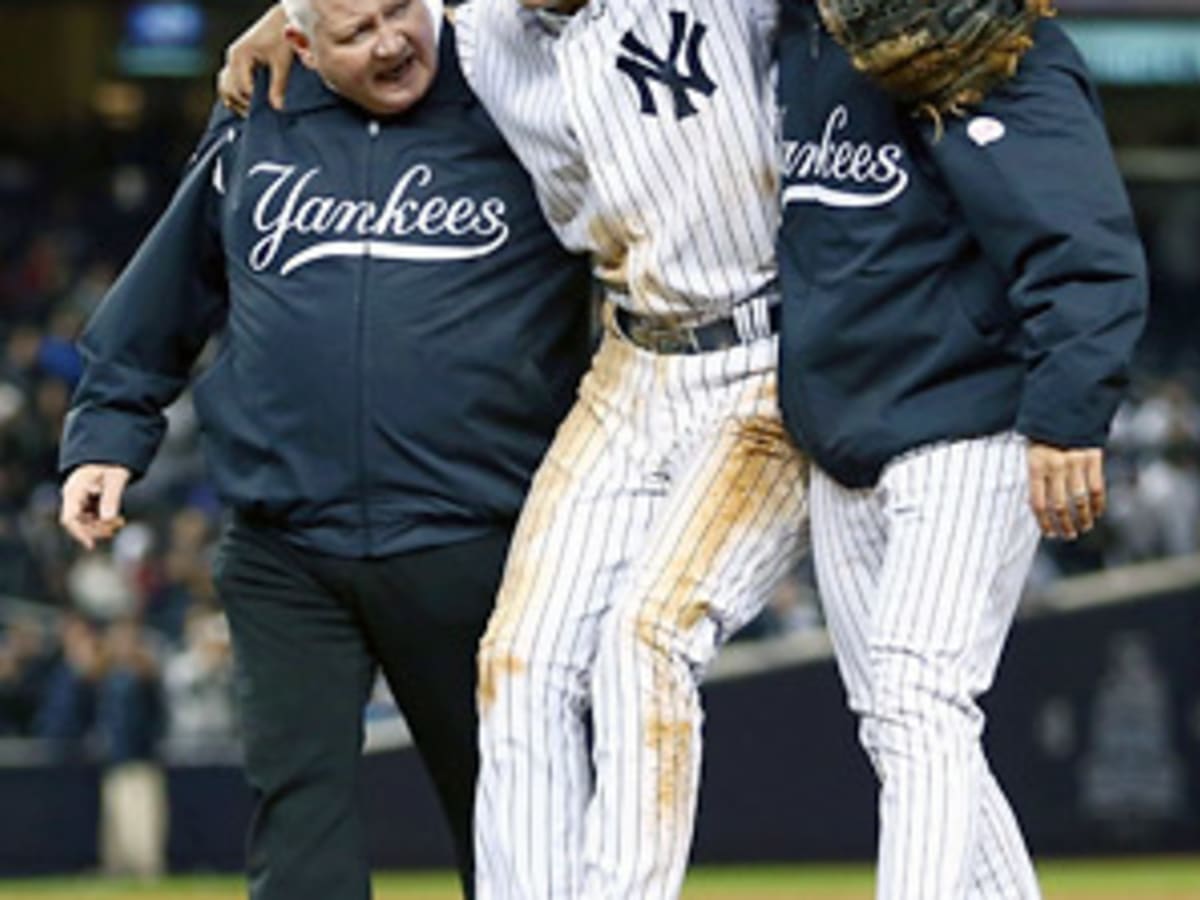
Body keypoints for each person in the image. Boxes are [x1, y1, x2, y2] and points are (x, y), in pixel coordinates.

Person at [221, 0, 810, 895]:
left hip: (765, 355)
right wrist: (288, 24)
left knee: (643, 643)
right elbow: (367, 18)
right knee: (518, 662)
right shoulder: (486, 30)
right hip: (631, 360)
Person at [59, 0, 591, 897]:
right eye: (355, 31)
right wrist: (109, 431)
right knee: (300, 830)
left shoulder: (520, 92)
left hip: (479, 544)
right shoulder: (257, 119)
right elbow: (167, 287)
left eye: (400, 12)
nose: (390, 42)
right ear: (301, 42)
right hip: (285, 551)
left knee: (516, 828)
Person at [775, 4, 1148, 897]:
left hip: (971, 417)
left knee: (916, 703)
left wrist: (1067, 414)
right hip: (846, 435)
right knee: (900, 723)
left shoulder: (998, 49)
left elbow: (1087, 246)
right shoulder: (799, 40)